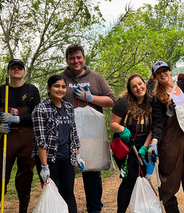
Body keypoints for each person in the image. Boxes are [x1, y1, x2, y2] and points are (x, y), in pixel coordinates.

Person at [58, 43, 116, 213]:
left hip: (92, 134)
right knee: (66, 174)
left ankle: (94, 208)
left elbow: (112, 100)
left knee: (92, 174)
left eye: (78, 57)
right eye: (72, 58)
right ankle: (67, 208)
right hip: (66, 135)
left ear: (83, 58)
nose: (76, 61)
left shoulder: (96, 78)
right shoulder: (61, 79)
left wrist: (90, 97)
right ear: (67, 60)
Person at [151, 61, 184, 213]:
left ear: (170, 71)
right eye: (158, 72)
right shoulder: (157, 97)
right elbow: (158, 122)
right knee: (169, 176)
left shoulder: (182, 86)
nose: (163, 74)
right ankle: (171, 209)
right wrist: (155, 140)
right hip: (170, 138)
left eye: (165, 70)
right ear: (155, 76)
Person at [0, 59, 41, 213]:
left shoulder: (32, 90)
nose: (16, 70)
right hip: (6, 139)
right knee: (0, 176)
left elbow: (36, 115)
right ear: (8, 72)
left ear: (24, 72)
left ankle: (23, 208)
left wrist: (18, 119)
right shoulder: (0, 91)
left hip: (27, 140)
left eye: (19, 68)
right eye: (13, 68)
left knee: (26, 174)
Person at [32, 75, 85, 213]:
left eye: (63, 86)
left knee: (68, 192)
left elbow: (73, 133)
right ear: (48, 88)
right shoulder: (40, 109)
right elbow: (40, 140)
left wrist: (78, 155)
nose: (60, 89)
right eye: (56, 86)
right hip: (49, 160)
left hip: (66, 158)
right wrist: (44, 166)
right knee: (50, 194)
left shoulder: (68, 107)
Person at [110, 74, 156, 213]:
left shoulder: (153, 102)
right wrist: (122, 129)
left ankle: (140, 209)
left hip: (143, 147)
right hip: (125, 147)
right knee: (130, 179)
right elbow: (113, 123)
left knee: (142, 179)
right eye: (134, 86)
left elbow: (153, 129)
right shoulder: (123, 103)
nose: (138, 88)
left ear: (145, 84)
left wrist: (145, 147)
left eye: (140, 84)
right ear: (130, 90)